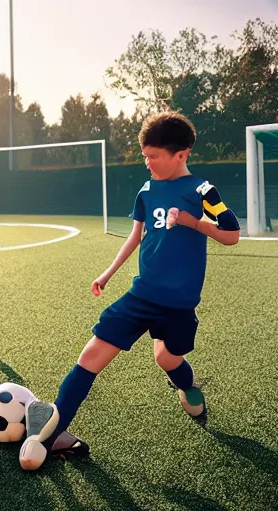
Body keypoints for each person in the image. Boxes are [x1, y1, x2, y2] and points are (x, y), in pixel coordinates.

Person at [19, 111, 241, 471]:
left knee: (166, 359)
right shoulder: (147, 190)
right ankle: (50, 434)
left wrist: (191, 221)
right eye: (144, 155)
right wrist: (107, 274)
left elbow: (231, 234)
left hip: (179, 304)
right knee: (90, 356)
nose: (147, 163)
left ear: (181, 154)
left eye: (153, 156)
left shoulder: (202, 190)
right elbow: (135, 237)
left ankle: (188, 388)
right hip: (140, 297)